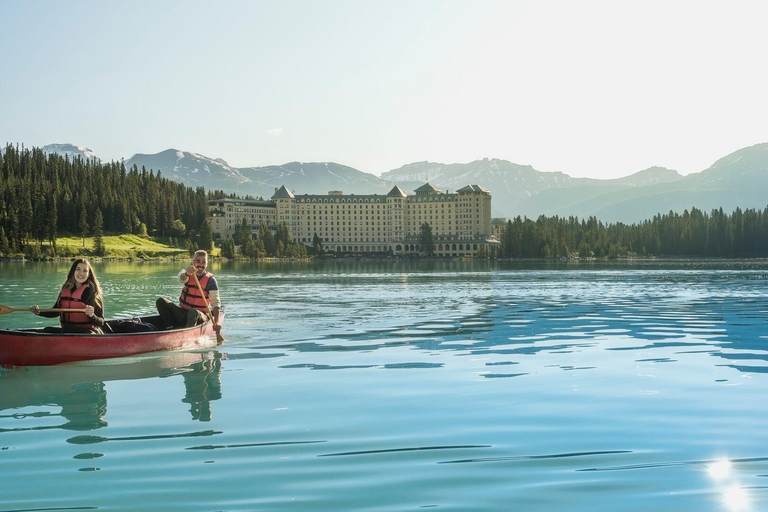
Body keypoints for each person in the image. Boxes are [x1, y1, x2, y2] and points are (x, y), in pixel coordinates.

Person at [30, 258, 105, 334]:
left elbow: (101, 322)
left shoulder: (92, 292)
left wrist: (92, 316)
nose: (81, 273)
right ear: (73, 271)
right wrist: (38, 311)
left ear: (88, 274)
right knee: (47, 330)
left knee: (69, 329)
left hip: (86, 333)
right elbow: (55, 311)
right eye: (78, 269)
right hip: (66, 331)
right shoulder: (65, 289)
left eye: (85, 271)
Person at [156, 250, 222, 334]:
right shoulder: (186, 272)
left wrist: (217, 322)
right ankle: (169, 328)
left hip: (201, 316)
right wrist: (187, 273)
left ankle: (187, 335)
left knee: (193, 312)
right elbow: (181, 278)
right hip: (183, 313)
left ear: (207, 263)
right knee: (161, 301)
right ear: (193, 262)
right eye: (198, 261)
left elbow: (215, 302)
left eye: (203, 262)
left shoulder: (211, 280)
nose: (201, 264)